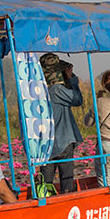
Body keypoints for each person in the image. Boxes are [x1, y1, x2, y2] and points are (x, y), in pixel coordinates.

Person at [39, 53, 83, 193]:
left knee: (45, 183)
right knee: (67, 181)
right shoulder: (56, 90)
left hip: (45, 145)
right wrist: (71, 79)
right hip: (63, 141)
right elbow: (77, 99)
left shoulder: (38, 91)